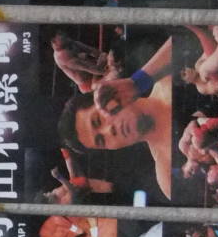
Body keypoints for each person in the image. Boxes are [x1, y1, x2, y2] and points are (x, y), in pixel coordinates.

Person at [58, 36, 174, 198]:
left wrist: (137, 83)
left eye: (98, 120)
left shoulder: (170, 73)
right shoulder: (166, 175)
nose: (109, 131)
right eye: (101, 140)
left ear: (107, 97)